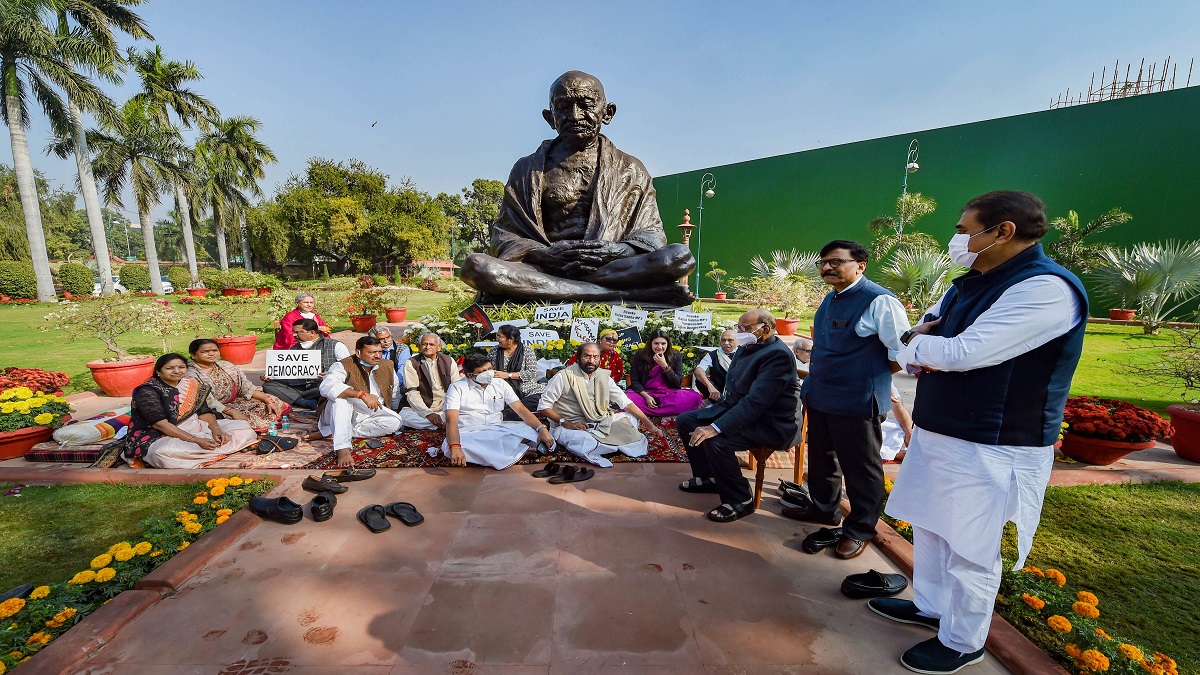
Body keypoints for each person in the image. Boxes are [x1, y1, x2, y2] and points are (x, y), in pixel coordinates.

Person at [877, 191, 1087, 674]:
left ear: (1003, 231)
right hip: (941, 429)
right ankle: (929, 607)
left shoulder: (1046, 289)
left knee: (970, 545)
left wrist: (918, 345)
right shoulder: (970, 283)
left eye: (964, 228)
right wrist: (921, 343)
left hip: (994, 443)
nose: (957, 238)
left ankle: (962, 639)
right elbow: (917, 340)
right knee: (930, 525)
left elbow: (961, 353)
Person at [460, 70, 694, 307]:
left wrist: (615, 251)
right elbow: (504, 235)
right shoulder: (526, 170)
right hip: (543, 267)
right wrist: (544, 254)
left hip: (609, 267)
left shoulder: (630, 169)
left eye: (585, 104)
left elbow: (651, 235)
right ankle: (623, 295)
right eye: (563, 107)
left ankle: (568, 292)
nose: (575, 115)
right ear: (549, 118)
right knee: (476, 267)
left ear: (607, 112)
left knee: (678, 257)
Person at [791, 240, 910, 560]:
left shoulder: (880, 301)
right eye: (823, 262)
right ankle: (824, 508)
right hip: (822, 396)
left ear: (860, 265)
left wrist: (869, 374)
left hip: (857, 400)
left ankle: (860, 529)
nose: (827, 268)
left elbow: (903, 353)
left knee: (862, 469)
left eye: (836, 261)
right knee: (821, 459)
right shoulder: (830, 299)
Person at [676, 309, 801, 522]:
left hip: (772, 423)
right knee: (686, 420)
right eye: (739, 327)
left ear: (766, 329)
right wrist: (715, 413)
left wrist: (714, 426)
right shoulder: (747, 347)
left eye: (747, 328)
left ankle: (740, 499)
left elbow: (756, 403)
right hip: (741, 409)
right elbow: (735, 391)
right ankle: (710, 478)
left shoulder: (777, 355)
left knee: (716, 439)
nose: (741, 332)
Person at [538, 342, 663, 467]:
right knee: (584, 441)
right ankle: (611, 445)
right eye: (587, 356)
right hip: (571, 425)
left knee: (630, 418)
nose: (591, 361)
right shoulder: (563, 376)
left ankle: (606, 445)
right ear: (578, 358)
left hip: (600, 421)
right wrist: (566, 423)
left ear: (600, 359)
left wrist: (649, 424)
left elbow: (625, 402)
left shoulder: (604, 377)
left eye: (595, 357)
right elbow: (544, 406)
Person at [124, 353, 259, 469]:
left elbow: (204, 412)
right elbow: (160, 425)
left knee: (243, 427)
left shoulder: (192, 385)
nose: (176, 371)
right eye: (169, 368)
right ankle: (218, 449)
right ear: (158, 371)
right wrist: (197, 440)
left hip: (196, 426)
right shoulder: (147, 391)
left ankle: (209, 450)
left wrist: (216, 430)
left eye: (181, 367)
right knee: (163, 453)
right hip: (161, 434)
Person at [440, 353, 558, 469]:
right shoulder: (456, 388)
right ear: (470, 375)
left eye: (490, 369)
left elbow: (520, 409)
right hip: (470, 432)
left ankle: (507, 452)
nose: (489, 373)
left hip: (497, 428)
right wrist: (455, 447)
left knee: (535, 434)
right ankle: (516, 452)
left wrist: (541, 428)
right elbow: (452, 419)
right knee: (451, 449)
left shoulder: (500, 383)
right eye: (482, 371)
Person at [317, 335, 403, 467]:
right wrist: (360, 394)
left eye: (379, 351)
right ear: (358, 353)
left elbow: (395, 392)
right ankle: (342, 448)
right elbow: (326, 387)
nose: (377, 356)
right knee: (341, 400)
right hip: (340, 410)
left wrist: (394, 410)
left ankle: (331, 431)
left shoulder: (387, 366)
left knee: (395, 421)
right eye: (372, 352)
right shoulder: (342, 365)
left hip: (369, 411)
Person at [187, 339, 287, 432]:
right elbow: (206, 401)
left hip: (234, 403)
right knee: (226, 420)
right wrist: (232, 412)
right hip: (213, 409)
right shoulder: (190, 374)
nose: (211, 354)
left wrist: (268, 400)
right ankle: (253, 426)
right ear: (193, 355)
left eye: (215, 350)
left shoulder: (226, 366)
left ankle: (257, 422)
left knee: (271, 400)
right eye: (205, 352)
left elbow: (246, 386)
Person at [261, 319, 350, 410]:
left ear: (312, 332)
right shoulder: (293, 349)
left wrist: (330, 374)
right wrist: (271, 375)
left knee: (333, 387)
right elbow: (286, 370)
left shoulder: (335, 345)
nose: (295, 335)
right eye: (293, 332)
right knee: (269, 386)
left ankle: (297, 399)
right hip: (298, 387)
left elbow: (348, 369)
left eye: (298, 332)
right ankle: (304, 402)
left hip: (321, 386)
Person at [627, 329, 704, 416]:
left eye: (663, 344)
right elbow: (635, 380)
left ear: (668, 344)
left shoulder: (675, 356)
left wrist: (664, 365)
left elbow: (677, 383)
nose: (659, 347)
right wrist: (646, 396)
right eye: (656, 343)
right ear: (650, 344)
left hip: (668, 393)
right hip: (645, 393)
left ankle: (644, 411)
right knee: (627, 398)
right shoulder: (640, 356)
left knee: (693, 397)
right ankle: (663, 410)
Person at [401, 331, 463, 430]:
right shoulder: (411, 363)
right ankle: (444, 424)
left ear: (439, 347)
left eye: (431, 344)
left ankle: (439, 424)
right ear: (419, 346)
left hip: (444, 405)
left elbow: (456, 387)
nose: (427, 347)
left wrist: (451, 407)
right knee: (404, 417)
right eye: (424, 344)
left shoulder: (449, 361)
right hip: (423, 407)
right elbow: (412, 392)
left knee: (464, 414)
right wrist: (427, 413)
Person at [488, 324, 546, 414]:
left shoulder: (527, 351)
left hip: (526, 390)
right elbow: (488, 369)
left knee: (533, 403)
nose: (497, 339)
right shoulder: (494, 351)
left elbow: (531, 373)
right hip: (502, 390)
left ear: (510, 340)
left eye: (500, 336)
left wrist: (508, 375)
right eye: (497, 335)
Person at [693, 329, 738, 402]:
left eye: (730, 340)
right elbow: (698, 370)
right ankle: (722, 403)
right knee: (700, 381)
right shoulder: (713, 355)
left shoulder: (743, 354)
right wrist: (710, 386)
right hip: (719, 391)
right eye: (723, 340)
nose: (726, 343)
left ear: (737, 341)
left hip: (739, 390)